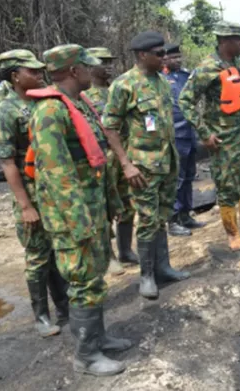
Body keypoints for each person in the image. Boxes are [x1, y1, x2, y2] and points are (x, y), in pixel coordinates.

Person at [29, 44, 131, 376]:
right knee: (84, 281)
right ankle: (86, 356)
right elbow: (57, 176)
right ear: (74, 71)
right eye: (88, 67)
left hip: (92, 208)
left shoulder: (80, 105)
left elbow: (97, 160)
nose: (93, 72)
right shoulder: (49, 112)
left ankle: (98, 338)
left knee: (95, 276)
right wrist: (80, 221)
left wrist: (111, 201)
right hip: (74, 217)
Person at [103, 31, 190, 300]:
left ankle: (163, 268)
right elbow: (110, 127)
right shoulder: (124, 85)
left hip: (167, 162)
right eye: (159, 53)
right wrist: (126, 164)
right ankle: (147, 275)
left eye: (165, 53)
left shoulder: (162, 82)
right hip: (143, 167)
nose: (164, 57)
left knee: (162, 216)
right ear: (143, 55)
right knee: (148, 220)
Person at [179, 21, 240, 252]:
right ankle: (233, 235)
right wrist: (204, 133)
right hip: (224, 141)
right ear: (224, 42)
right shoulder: (207, 68)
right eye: (238, 39)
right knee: (228, 187)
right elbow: (185, 101)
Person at [0, 49, 68, 338]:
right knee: (38, 255)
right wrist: (25, 206)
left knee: (56, 249)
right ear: (15, 77)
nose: (39, 75)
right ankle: (41, 316)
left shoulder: (43, 102)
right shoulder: (7, 111)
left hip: (53, 190)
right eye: (32, 71)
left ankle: (64, 305)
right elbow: (7, 161)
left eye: (39, 70)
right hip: (31, 193)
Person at [84, 47, 140, 269]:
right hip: (101, 157)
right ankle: (109, 257)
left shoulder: (117, 88)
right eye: (103, 62)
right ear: (90, 66)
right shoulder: (84, 95)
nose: (108, 66)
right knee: (104, 204)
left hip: (124, 153)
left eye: (110, 61)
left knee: (127, 202)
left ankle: (126, 250)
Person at [163, 43, 205, 234]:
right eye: (174, 57)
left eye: (179, 57)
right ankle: (172, 219)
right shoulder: (161, 79)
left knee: (189, 176)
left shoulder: (185, 76)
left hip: (189, 132)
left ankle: (186, 214)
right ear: (164, 59)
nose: (178, 60)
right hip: (174, 135)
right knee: (176, 179)